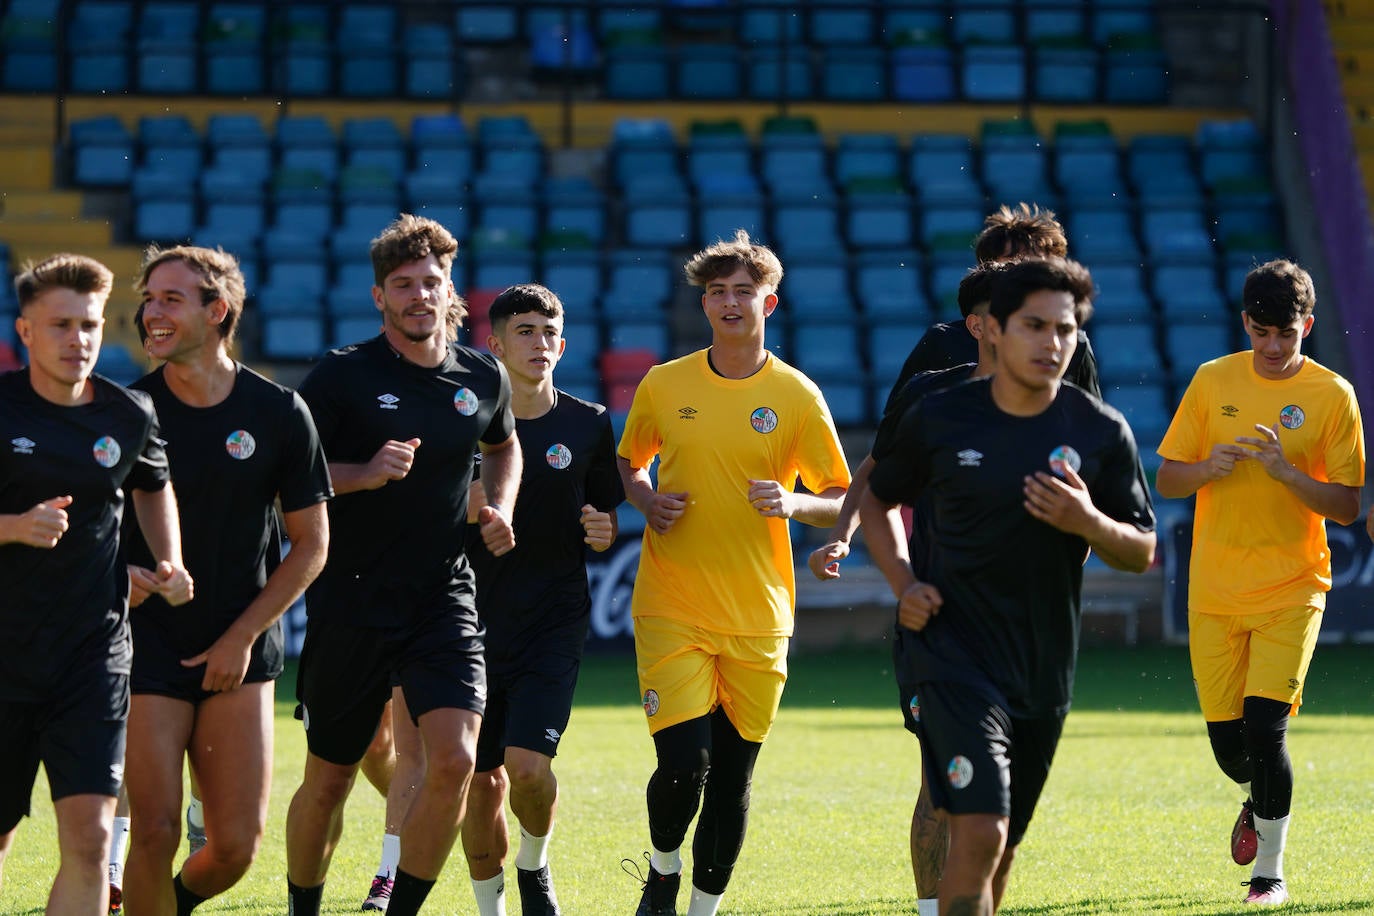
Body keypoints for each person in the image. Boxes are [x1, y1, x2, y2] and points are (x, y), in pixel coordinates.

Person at [808, 203, 1098, 915]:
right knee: (946, 777)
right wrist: (848, 532)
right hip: (944, 599)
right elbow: (883, 457)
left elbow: (1087, 460)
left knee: (1005, 797)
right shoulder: (939, 351)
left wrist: (1086, 536)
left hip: (1030, 608)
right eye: (1005, 270)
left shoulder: (1070, 356)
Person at [860, 257, 1156, 915]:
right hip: (950, 651)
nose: (1052, 343)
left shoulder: (1099, 431)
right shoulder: (940, 415)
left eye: (1066, 329)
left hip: (1041, 659)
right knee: (979, 824)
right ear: (992, 329)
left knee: (1003, 842)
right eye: (1034, 326)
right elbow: (877, 499)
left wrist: (1088, 521)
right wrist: (904, 582)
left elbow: (1142, 551)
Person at [284, 213, 522, 916]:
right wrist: (362, 472)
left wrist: (498, 505)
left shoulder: (480, 374)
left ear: (450, 291)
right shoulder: (340, 376)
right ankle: (303, 907)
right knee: (329, 780)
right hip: (349, 598)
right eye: (403, 285)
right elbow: (287, 475)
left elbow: (504, 446)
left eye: (431, 282)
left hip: (445, 597)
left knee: (453, 761)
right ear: (379, 297)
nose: (419, 295)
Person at [617, 230, 851, 916]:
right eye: (715, 291)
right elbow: (629, 464)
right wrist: (647, 498)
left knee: (731, 781)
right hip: (671, 602)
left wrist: (794, 501)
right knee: (685, 764)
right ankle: (662, 871)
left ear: (768, 302)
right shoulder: (665, 384)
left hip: (760, 613)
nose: (727, 302)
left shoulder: (798, 395)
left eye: (742, 291)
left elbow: (839, 498)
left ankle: (702, 909)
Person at [119, 246, 332, 916]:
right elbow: (81, 533)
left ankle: (169, 904)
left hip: (241, 652)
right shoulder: (122, 413)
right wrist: (118, 580)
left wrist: (242, 638)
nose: (151, 312)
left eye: (170, 299)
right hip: (143, 646)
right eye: (149, 298)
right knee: (152, 829)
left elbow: (312, 545)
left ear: (219, 312)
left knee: (236, 848)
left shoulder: (279, 411)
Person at [1155, 259, 1364, 907]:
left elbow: (1348, 507)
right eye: (1261, 332)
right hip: (1214, 590)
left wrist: (1287, 473)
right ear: (1245, 322)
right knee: (1231, 748)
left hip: (1294, 586)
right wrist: (1207, 467)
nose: (1273, 348)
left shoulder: (1333, 395)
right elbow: (1167, 479)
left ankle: (1268, 874)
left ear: (1309, 325)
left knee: (1266, 729)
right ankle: (1258, 802)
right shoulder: (1211, 380)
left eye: (1287, 334)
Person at [0, 253, 192, 914]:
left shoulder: (129, 413)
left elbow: (152, 484)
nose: (77, 340)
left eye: (88, 325)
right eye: (59, 326)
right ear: (25, 332)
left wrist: (169, 559)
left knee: (87, 843)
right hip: (5, 657)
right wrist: (11, 527)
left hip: (93, 659)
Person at [458, 283, 626, 916]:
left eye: (547, 331)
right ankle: (490, 908)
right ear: (494, 344)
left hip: (552, 620)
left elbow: (603, 515)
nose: (538, 342)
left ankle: (534, 864)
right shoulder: (463, 421)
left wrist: (604, 531)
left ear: (564, 343)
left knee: (527, 769)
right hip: (468, 623)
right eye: (522, 331)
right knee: (479, 784)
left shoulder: (587, 423)